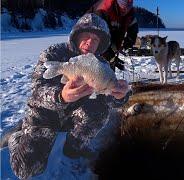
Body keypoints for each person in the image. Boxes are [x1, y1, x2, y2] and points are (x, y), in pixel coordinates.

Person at [8, 13, 130, 179]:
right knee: (25, 170)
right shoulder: (53, 54)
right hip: (46, 114)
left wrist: (119, 96)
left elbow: (106, 96)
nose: (90, 42)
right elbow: (36, 91)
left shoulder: (101, 65)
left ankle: (74, 147)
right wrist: (61, 96)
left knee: (100, 108)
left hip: (74, 115)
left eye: (95, 39)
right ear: (76, 35)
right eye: (86, 36)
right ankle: (16, 137)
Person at [88, 0, 139, 71]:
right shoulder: (103, 10)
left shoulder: (130, 13)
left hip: (111, 36)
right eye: (124, 7)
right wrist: (110, 57)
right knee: (96, 70)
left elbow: (133, 28)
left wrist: (129, 42)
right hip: (90, 41)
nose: (126, 10)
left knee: (110, 70)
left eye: (129, 7)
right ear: (118, 3)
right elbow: (99, 37)